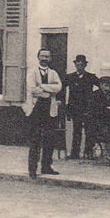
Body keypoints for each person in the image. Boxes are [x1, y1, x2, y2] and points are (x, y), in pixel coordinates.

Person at [23, 48, 63, 178]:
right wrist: (48, 90)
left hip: (49, 110)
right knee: (35, 139)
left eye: (47, 56)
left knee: (49, 139)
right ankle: (32, 169)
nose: (44, 59)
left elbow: (59, 87)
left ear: (50, 58)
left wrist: (43, 87)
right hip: (36, 109)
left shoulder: (53, 73)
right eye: (42, 56)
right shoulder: (32, 72)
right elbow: (32, 89)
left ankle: (46, 167)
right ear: (38, 57)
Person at [64, 54, 98, 160]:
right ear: (75, 65)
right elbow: (61, 88)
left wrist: (95, 98)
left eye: (82, 65)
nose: (80, 67)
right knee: (76, 131)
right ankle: (75, 153)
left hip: (88, 108)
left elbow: (102, 85)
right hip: (75, 108)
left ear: (85, 65)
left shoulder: (91, 77)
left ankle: (88, 153)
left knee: (89, 131)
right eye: (77, 64)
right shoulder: (69, 77)